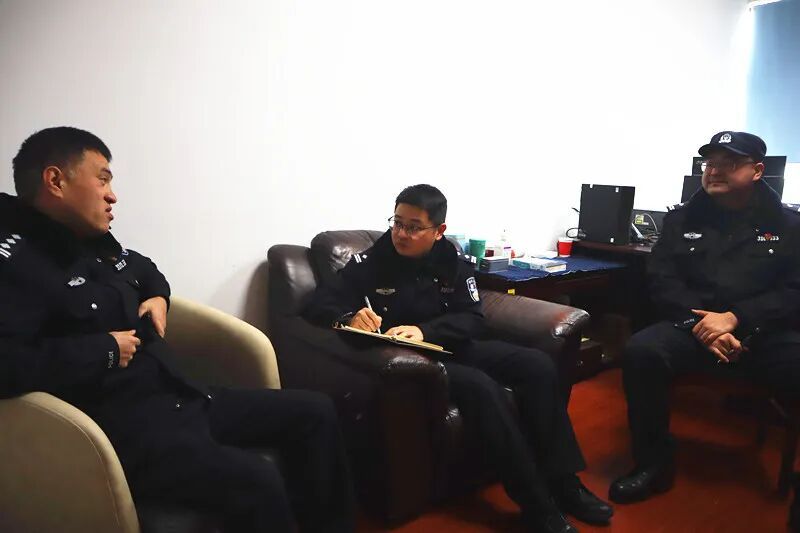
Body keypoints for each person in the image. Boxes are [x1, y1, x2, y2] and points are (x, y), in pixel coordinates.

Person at [0, 126, 354, 532]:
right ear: (56, 180)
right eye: (102, 179)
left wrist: (158, 296)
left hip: (180, 395)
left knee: (316, 410)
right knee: (257, 480)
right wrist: (104, 350)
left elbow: (144, 268)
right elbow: (7, 363)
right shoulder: (15, 265)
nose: (112, 195)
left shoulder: (92, 241)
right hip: (125, 429)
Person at [304, 184, 613, 533]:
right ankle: (536, 503)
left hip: (452, 345)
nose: (401, 234)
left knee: (537, 365)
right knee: (481, 387)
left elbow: (473, 318)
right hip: (416, 363)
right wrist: (350, 316)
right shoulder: (372, 262)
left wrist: (425, 331)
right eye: (397, 222)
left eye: (414, 227)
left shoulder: (451, 260)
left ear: (439, 231)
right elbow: (319, 303)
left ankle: (565, 483)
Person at [609, 131, 800, 504]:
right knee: (643, 351)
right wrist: (703, 326)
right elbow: (662, 280)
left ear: (757, 171)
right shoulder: (681, 219)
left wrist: (735, 318)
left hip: (763, 333)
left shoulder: (790, 226)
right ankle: (652, 463)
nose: (714, 170)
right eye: (710, 163)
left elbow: (794, 290)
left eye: (730, 163)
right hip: (694, 327)